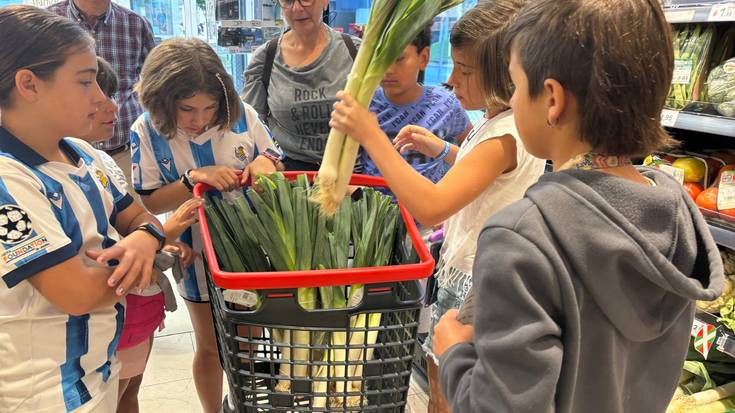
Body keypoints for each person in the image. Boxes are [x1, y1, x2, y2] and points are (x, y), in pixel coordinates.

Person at [433, 0, 725, 412]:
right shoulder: (677, 214)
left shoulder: (521, 236)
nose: (512, 101)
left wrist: (453, 355)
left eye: (514, 85)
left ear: (551, 98)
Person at [328, 2, 546, 412]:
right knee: (439, 374)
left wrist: (371, 135)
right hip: (467, 270)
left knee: (449, 383)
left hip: (474, 280)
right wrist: (444, 149)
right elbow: (486, 173)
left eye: (464, 70)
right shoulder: (497, 120)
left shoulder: (505, 134)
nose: (451, 79)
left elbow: (431, 207)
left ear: (505, 71)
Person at [0, 6, 162, 412]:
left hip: (99, 370)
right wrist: (146, 250)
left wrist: (146, 238)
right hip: (42, 392)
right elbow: (76, 292)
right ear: (28, 84)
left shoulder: (85, 154)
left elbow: (139, 218)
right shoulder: (9, 179)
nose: (102, 98)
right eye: (86, 82)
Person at [130, 37, 283, 413]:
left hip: (252, 249)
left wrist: (267, 164)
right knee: (210, 344)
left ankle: (243, 404)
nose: (199, 119)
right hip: (193, 252)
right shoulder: (146, 131)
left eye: (209, 107)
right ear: (162, 101)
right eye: (186, 109)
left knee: (247, 342)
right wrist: (192, 178)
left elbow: (273, 154)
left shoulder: (242, 115)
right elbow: (148, 198)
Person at [81, 56, 201, 413]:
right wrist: (170, 226)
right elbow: (114, 256)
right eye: (88, 87)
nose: (111, 105)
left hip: (137, 312)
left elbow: (140, 222)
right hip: (101, 326)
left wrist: (159, 240)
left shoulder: (95, 160)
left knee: (129, 391)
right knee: (111, 395)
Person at [47, 0, 156, 185]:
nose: (101, 99)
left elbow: (155, 83)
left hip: (123, 153)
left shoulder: (135, 23)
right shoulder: (47, 23)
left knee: (127, 209)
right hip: (64, 156)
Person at [243, 0, 359, 171]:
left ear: (325, 2)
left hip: (350, 175)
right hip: (289, 177)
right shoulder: (265, 58)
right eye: (288, 1)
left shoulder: (356, 52)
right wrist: (267, 160)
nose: (297, 8)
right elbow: (253, 126)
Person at [362, 26, 471, 184]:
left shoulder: (446, 103)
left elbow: (472, 151)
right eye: (380, 58)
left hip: (427, 205)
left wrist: (443, 149)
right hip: (371, 205)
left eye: (399, 58)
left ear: (424, 58)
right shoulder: (363, 104)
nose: (389, 70)